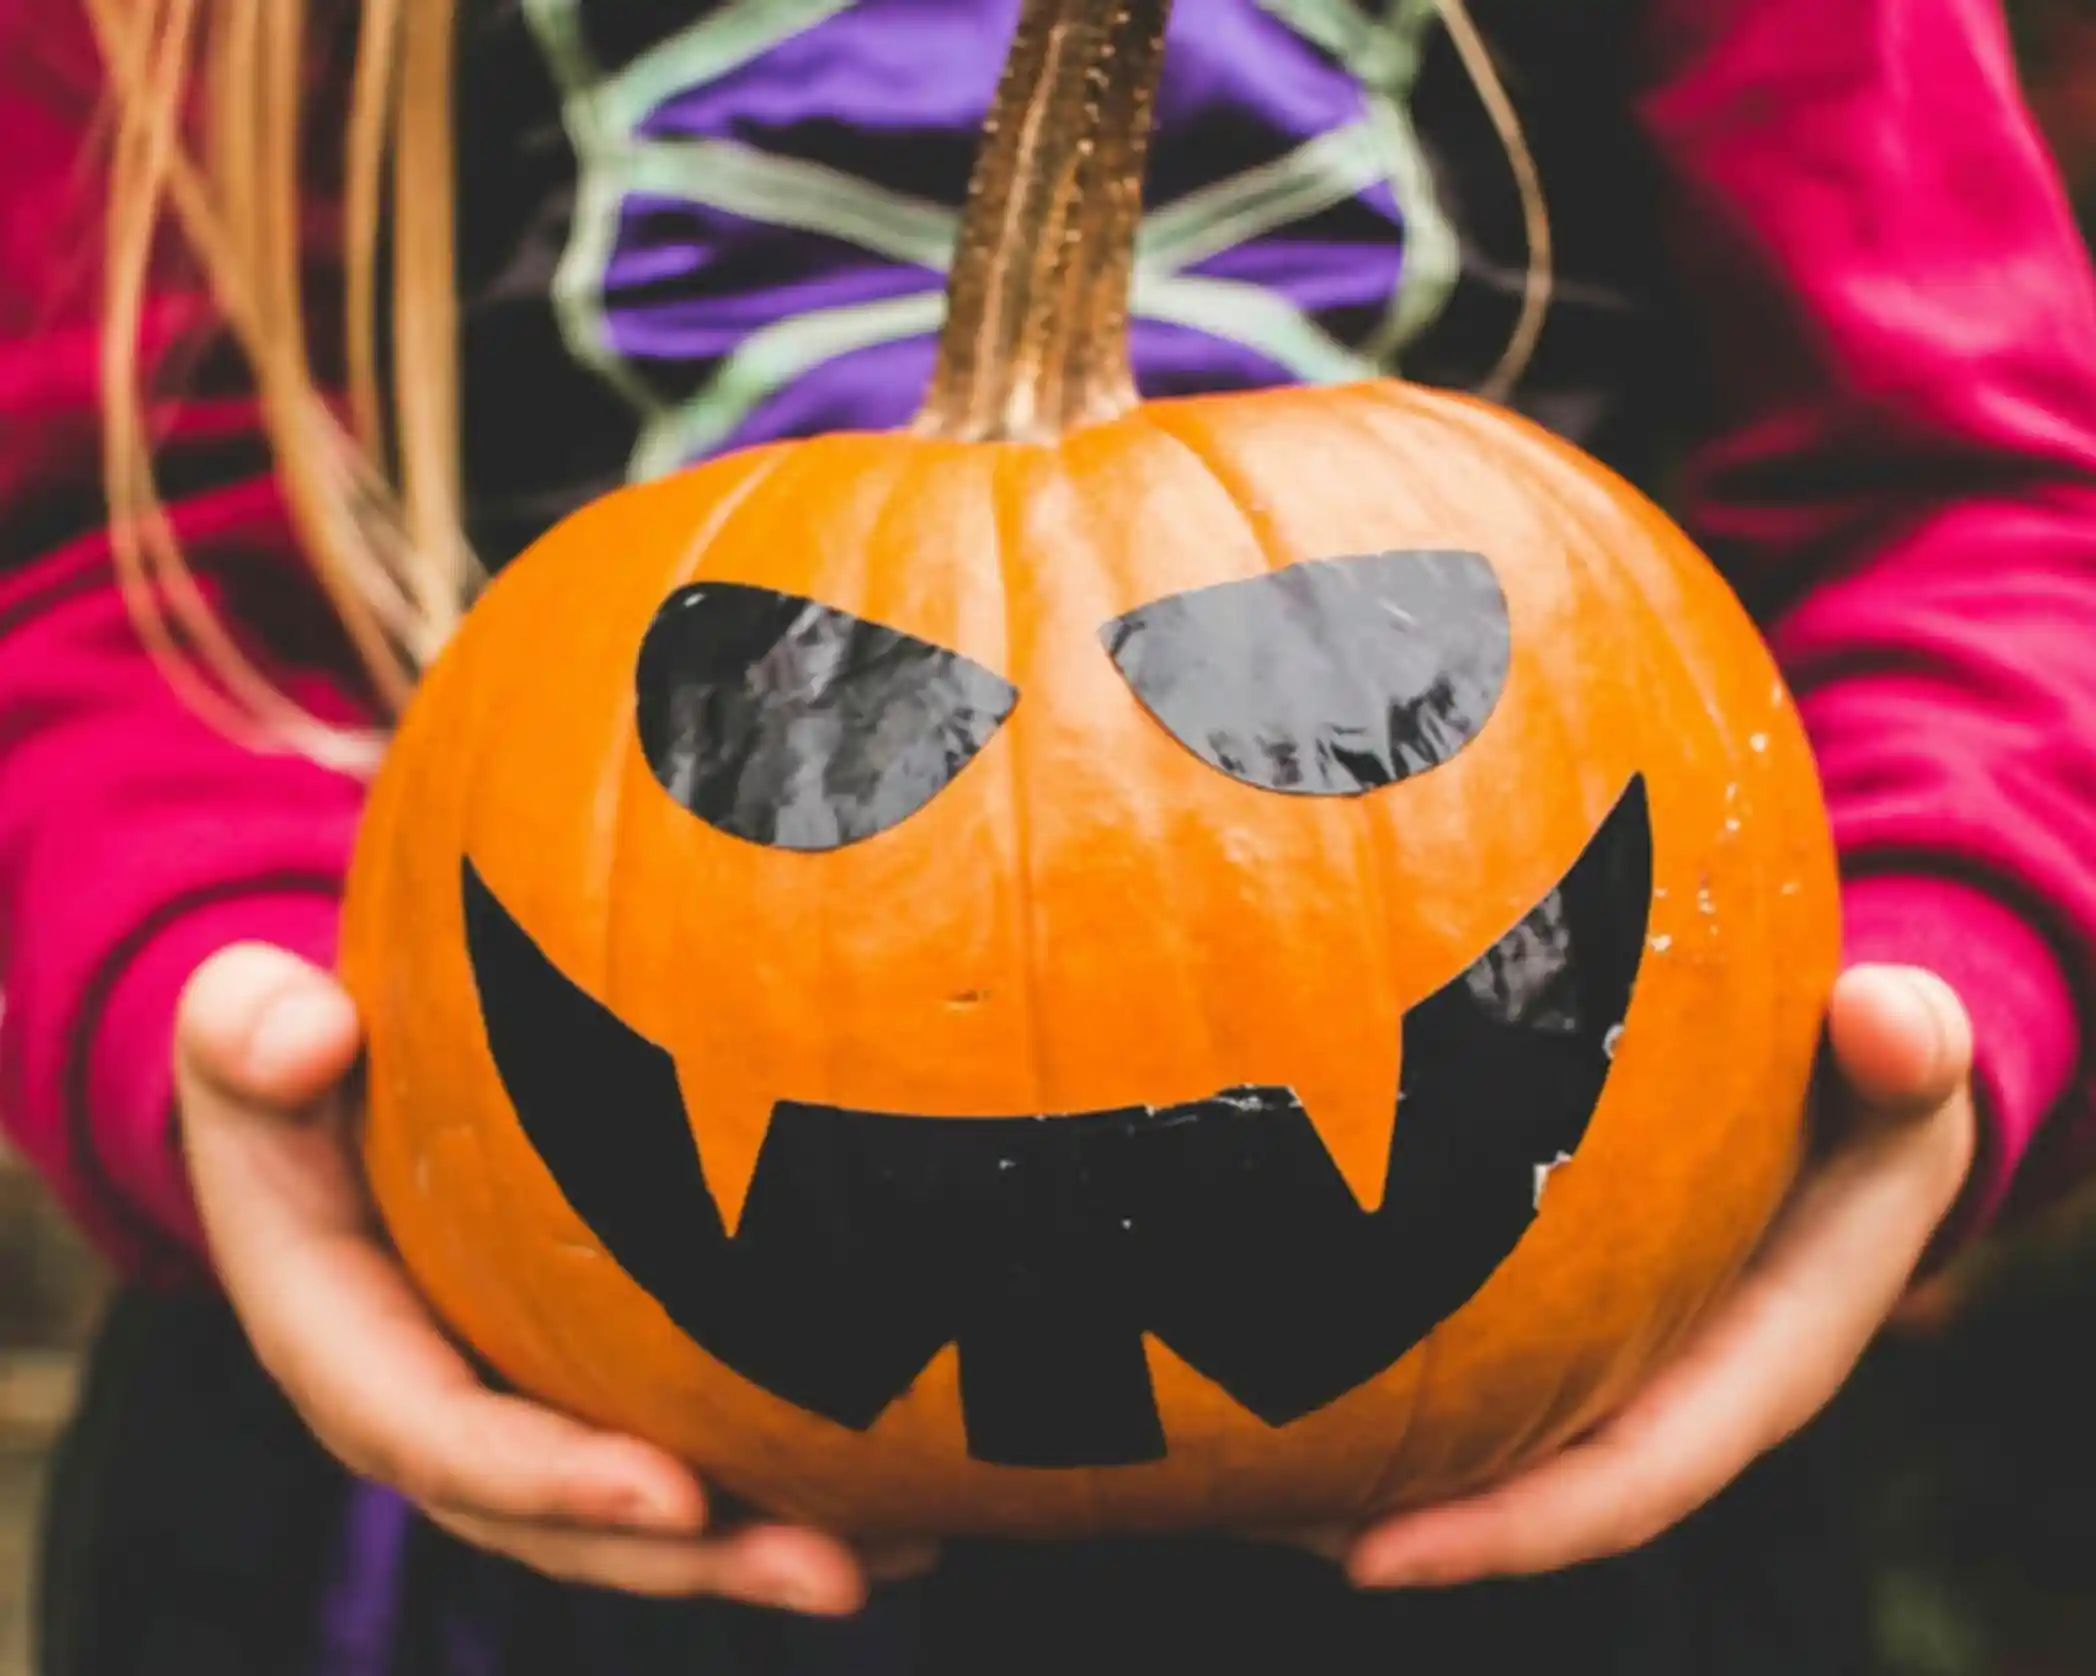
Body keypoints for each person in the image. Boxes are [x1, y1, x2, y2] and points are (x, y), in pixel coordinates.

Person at [3, 0, 2094, 1671]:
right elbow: (97, 554)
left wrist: (1944, 973)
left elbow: (1970, 489)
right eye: (811, 729)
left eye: (1327, 686)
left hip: (1572, 1474)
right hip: (470, 1487)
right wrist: (204, 1024)